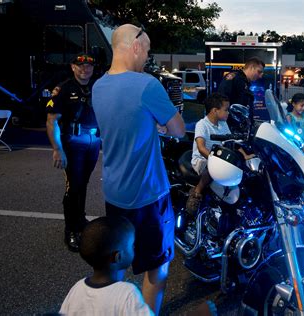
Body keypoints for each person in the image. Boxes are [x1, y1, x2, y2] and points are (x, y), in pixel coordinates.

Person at [91, 24, 185, 315]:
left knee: (116, 263)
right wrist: (162, 124)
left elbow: (124, 123)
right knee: (158, 268)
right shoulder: (147, 85)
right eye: (146, 49)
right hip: (148, 195)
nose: (146, 56)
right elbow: (178, 130)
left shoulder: (98, 86)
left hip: (114, 192)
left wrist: (150, 125)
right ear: (134, 46)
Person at [46, 53, 101, 252]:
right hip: (73, 143)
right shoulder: (64, 89)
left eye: (89, 66)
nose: (85, 69)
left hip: (94, 141)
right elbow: (51, 121)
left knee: (83, 183)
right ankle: (70, 230)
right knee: (73, 186)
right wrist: (57, 150)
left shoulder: (98, 87)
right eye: (80, 66)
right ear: (73, 67)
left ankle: (80, 219)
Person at [59, 216, 154, 315]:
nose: (134, 247)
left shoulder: (77, 289)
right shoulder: (127, 294)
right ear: (118, 257)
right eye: (131, 245)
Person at [185, 93, 254, 215]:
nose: (228, 113)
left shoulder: (223, 124)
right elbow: (201, 147)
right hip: (203, 159)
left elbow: (232, 142)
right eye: (226, 110)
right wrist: (213, 160)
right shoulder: (202, 124)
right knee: (209, 170)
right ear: (215, 110)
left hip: (221, 158)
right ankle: (196, 192)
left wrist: (245, 156)